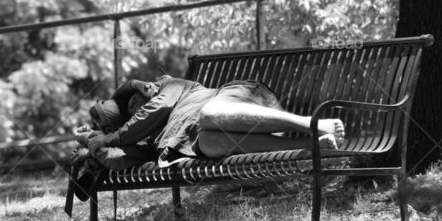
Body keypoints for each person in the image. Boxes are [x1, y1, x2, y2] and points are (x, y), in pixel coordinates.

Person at [75, 75, 344, 172]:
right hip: (235, 133)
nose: (136, 108)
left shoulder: (170, 87)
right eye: (130, 111)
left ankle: (312, 123)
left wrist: (132, 87)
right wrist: (91, 142)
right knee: (208, 144)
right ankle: (315, 146)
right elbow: (118, 159)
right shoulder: (154, 141)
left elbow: (157, 108)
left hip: (243, 102)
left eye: (135, 100)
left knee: (209, 114)